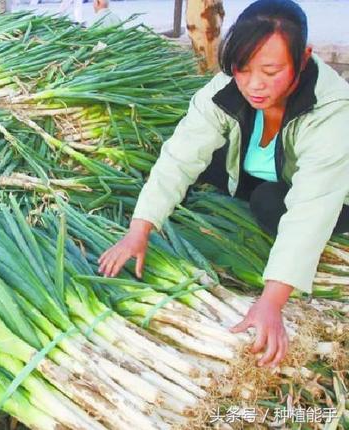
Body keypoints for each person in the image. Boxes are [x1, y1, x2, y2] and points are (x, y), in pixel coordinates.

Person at [98, 0, 349, 368]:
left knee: (267, 202)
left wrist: (271, 301)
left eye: (271, 70)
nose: (254, 85)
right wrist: (141, 228)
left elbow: (312, 206)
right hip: (266, 172)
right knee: (201, 158)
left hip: (332, 196)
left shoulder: (332, 110)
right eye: (243, 69)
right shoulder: (226, 90)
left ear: (304, 56)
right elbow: (180, 156)